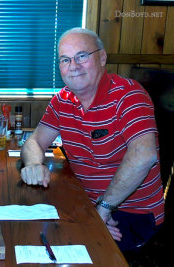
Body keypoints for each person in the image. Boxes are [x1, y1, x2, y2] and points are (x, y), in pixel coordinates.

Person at [20, 27, 165, 252]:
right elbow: (34, 142)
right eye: (65, 59)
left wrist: (102, 211)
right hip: (88, 204)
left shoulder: (129, 95)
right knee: (29, 229)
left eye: (82, 56)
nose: (73, 66)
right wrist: (33, 164)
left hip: (132, 213)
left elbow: (144, 156)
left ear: (102, 57)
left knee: (64, 248)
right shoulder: (63, 100)